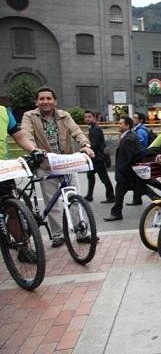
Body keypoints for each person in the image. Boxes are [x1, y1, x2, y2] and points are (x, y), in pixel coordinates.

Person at [21, 86, 95, 248]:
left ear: (55, 101)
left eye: (49, 98)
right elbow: (26, 134)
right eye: (42, 99)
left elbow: (76, 131)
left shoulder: (64, 115)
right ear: (37, 101)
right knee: (53, 202)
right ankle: (58, 234)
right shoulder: (30, 116)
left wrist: (85, 145)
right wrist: (35, 151)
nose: (45, 101)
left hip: (67, 163)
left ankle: (81, 232)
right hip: (46, 164)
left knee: (74, 198)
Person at [0, 105, 43, 262]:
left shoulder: (3, 112)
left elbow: (19, 137)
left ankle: (22, 248)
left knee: (12, 209)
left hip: (2, 168)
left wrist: (34, 150)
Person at [103, 117, 144, 221]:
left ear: (127, 125)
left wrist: (122, 170)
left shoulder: (129, 138)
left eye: (121, 123)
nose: (118, 125)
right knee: (120, 193)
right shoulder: (127, 137)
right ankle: (116, 213)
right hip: (126, 173)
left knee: (146, 190)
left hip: (126, 173)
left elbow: (131, 157)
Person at [84, 110, 114, 203]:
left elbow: (95, 144)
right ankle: (89, 195)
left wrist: (86, 148)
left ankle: (111, 197)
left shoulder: (96, 128)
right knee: (90, 176)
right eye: (85, 117)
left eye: (89, 117)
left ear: (94, 118)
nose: (87, 118)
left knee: (104, 178)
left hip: (98, 158)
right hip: (94, 158)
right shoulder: (92, 128)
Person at [130, 112, 156, 205]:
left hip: (140, 158)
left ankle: (156, 198)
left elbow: (140, 144)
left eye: (135, 118)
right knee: (138, 180)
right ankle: (137, 199)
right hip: (141, 158)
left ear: (140, 120)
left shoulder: (140, 131)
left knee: (142, 180)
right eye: (133, 117)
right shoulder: (138, 129)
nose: (133, 119)